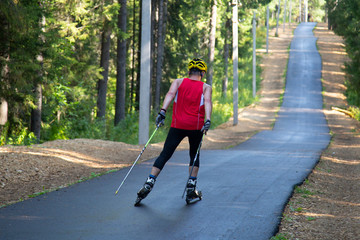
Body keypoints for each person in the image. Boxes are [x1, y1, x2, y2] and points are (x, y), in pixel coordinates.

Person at [135, 58, 212, 205]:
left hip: (178, 125)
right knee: (194, 155)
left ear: (189, 71)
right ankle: (191, 188)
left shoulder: (178, 82)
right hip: (196, 127)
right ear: (202, 73)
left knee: (165, 154)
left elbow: (170, 94)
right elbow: (207, 102)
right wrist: (207, 120)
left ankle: (149, 182)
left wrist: (162, 111)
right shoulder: (206, 87)